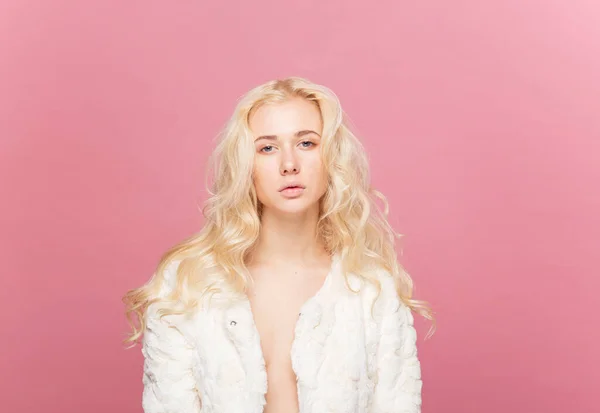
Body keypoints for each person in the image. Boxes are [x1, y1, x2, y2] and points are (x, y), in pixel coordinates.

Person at [122, 76, 435, 413]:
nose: (289, 165)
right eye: (267, 148)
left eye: (307, 143)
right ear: (246, 165)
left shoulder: (371, 289)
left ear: (331, 156)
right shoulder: (188, 284)